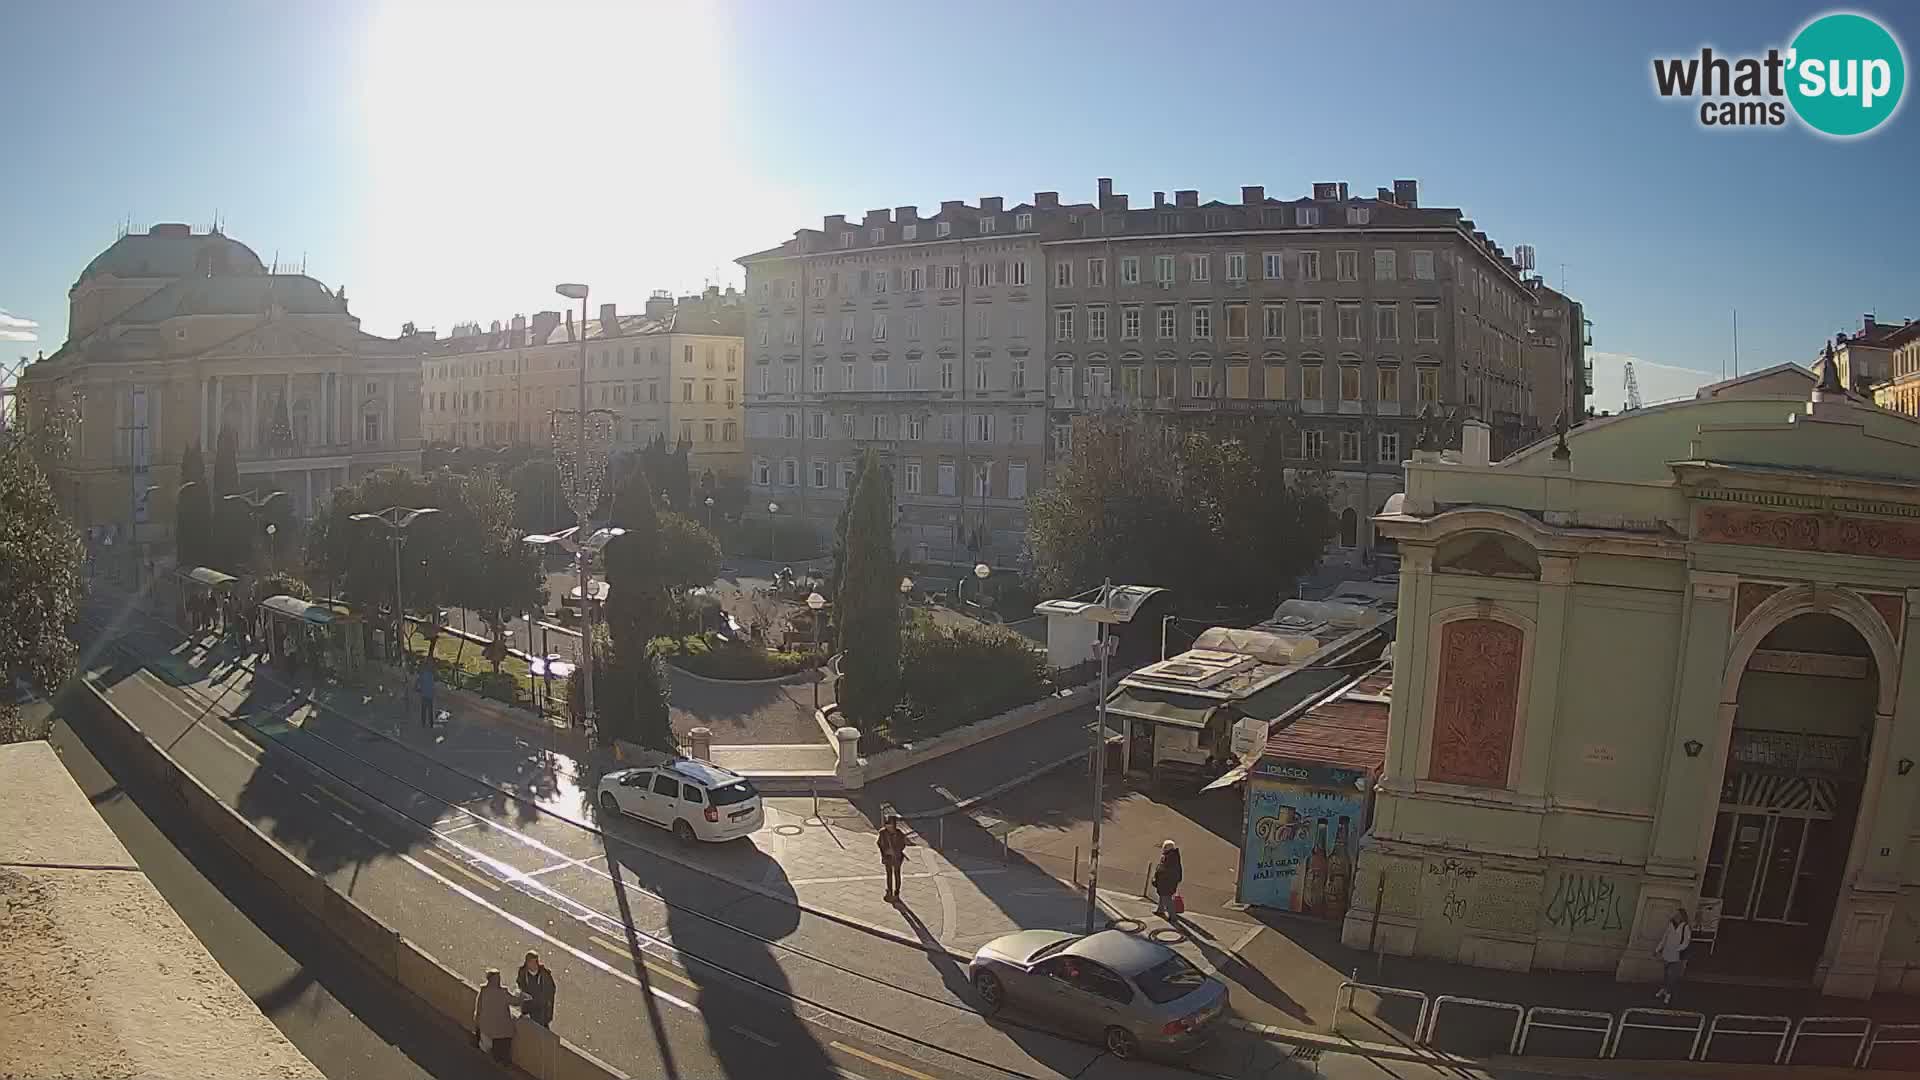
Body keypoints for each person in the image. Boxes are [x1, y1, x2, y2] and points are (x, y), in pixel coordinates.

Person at [474, 968, 517, 1063]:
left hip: (486, 1030)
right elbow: (515, 1001)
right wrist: (522, 996)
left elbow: (478, 1010)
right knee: (501, 1059)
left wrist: (478, 1025)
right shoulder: (503, 993)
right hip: (502, 1033)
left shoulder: (484, 991)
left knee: (484, 1054)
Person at [1654, 906, 1691, 1005]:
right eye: (1675, 914)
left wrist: (1677, 950)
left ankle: (1668, 994)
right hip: (1667, 952)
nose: (1676, 916)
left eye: (1678, 914)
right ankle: (1663, 989)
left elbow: (1686, 942)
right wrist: (1658, 949)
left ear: (1682, 916)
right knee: (1666, 974)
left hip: (1677, 955)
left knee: (1672, 975)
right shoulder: (1670, 924)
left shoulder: (1685, 927)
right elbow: (1664, 938)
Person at [515, 950, 556, 1027]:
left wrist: (547, 1006)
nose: (534, 965)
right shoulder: (522, 972)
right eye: (531, 962)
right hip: (528, 1007)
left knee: (542, 1029)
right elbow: (520, 984)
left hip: (541, 1009)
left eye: (535, 962)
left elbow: (551, 990)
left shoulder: (544, 974)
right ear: (527, 963)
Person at [877, 813, 908, 902]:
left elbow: (902, 845)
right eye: (887, 825)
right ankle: (889, 891)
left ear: (894, 825)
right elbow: (879, 843)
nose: (888, 827)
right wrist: (884, 852)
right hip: (887, 857)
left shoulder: (899, 834)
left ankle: (897, 893)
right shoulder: (882, 833)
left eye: (890, 825)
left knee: (897, 874)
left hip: (897, 857)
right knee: (889, 874)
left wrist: (895, 851)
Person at [1150, 839, 1183, 919]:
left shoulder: (1170, 858)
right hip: (1166, 881)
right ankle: (1160, 910)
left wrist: (1158, 875)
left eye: (1164, 847)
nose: (1163, 849)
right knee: (1162, 896)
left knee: (1167, 899)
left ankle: (1172, 916)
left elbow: (1163, 869)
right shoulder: (1172, 856)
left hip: (1166, 882)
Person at [415, 660, 436, 729]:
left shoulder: (423, 674)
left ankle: (423, 723)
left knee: (423, 710)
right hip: (430, 695)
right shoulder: (431, 675)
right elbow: (432, 685)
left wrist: (417, 688)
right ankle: (431, 724)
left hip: (424, 695)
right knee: (430, 710)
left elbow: (418, 682)